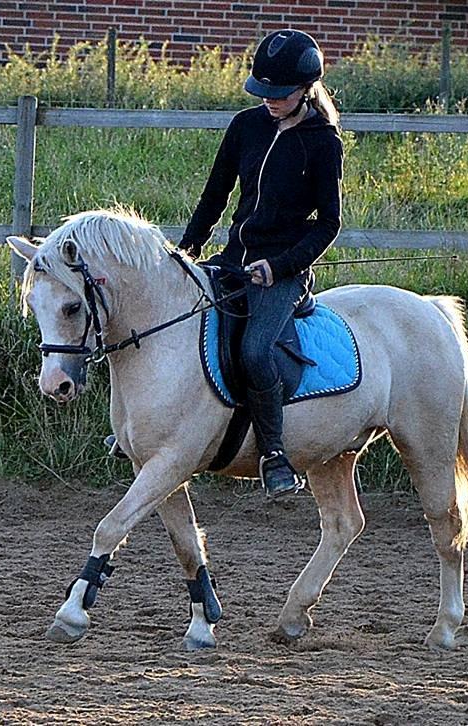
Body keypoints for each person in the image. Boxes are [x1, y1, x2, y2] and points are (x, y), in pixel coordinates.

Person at [177, 29, 344, 497]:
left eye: (280, 93)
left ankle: (274, 453)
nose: (270, 101)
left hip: (282, 274)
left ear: (305, 89)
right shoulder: (245, 127)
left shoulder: (322, 142)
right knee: (186, 325)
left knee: (254, 351)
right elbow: (215, 196)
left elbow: (328, 223)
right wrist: (188, 251)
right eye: (264, 92)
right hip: (232, 261)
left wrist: (281, 266)